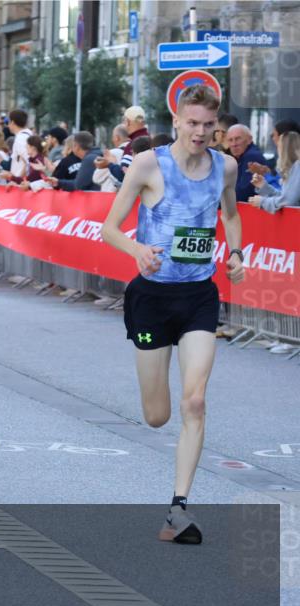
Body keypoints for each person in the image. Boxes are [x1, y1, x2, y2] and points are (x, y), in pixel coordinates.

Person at [100, 84, 245, 545]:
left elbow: (232, 214)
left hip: (199, 295)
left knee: (195, 402)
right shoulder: (149, 164)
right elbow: (108, 229)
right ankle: (157, 405)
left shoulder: (226, 166)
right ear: (178, 121)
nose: (201, 132)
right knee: (158, 414)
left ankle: (178, 509)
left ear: (215, 125)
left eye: (209, 125)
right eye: (193, 123)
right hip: (152, 298)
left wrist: (236, 253)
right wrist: (138, 249)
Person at [249, 131, 300, 212]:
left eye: (278, 146)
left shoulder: (298, 166)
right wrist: (264, 187)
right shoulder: (293, 169)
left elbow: (288, 201)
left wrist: (262, 202)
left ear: (283, 149)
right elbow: (284, 198)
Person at [225, 124, 268, 201]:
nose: (234, 144)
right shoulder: (238, 157)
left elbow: (244, 192)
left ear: (249, 139)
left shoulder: (252, 156)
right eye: (230, 140)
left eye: (238, 139)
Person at [6, 109, 33, 182]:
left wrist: (18, 180)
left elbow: (30, 162)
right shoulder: (29, 135)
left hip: (20, 185)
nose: (8, 125)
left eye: (8, 122)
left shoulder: (21, 139)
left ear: (12, 122)